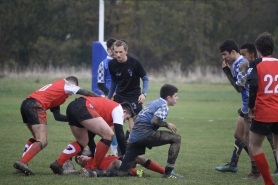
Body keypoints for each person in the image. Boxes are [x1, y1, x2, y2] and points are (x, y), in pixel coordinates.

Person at [84, 84, 182, 179]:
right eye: (175, 96)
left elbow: (139, 119)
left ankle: (96, 174)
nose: (177, 98)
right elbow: (155, 120)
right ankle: (168, 173)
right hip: (145, 134)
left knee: (122, 171)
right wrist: (167, 124)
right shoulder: (164, 105)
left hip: (133, 139)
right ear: (168, 98)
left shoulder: (152, 103)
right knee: (176, 138)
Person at [13, 76, 99, 176]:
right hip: (36, 105)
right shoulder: (67, 85)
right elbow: (87, 92)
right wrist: (101, 99)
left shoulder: (56, 91)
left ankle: (22, 164)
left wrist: (76, 119)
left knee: (35, 137)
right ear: (74, 85)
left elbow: (57, 116)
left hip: (26, 104)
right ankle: (22, 162)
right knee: (42, 140)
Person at [49, 97, 135, 175]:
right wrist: (125, 156)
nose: (125, 121)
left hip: (72, 107)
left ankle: (58, 163)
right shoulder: (118, 109)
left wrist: (94, 156)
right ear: (125, 112)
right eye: (127, 118)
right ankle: (94, 168)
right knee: (109, 135)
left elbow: (90, 138)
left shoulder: (104, 113)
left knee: (83, 142)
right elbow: (120, 134)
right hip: (84, 106)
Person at [216, 42, 261, 179]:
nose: (224, 57)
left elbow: (239, 88)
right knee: (238, 134)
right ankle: (234, 164)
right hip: (246, 104)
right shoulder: (238, 63)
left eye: (225, 54)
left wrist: (226, 71)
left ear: (233, 52)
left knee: (251, 139)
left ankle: (256, 169)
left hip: (250, 106)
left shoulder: (242, 63)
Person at [247, 32, 278, 185]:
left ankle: (269, 182)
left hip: (264, 111)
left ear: (258, 49)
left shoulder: (256, 64)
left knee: (254, 146)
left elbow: (253, 85)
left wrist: (251, 106)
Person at [107, 39, 149, 140]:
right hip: (120, 97)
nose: (118, 55)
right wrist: (108, 98)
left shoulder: (135, 63)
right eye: (116, 52)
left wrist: (143, 94)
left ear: (126, 51)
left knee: (133, 128)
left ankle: (128, 153)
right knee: (111, 128)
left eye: (120, 52)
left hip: (134, 98)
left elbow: (145, 79)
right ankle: (113, 152)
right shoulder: (111, 64)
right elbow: (114, 81)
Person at [76, 149, 183, 178]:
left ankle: (166, 173)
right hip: (112, 165)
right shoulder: (87, 166)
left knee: (138, 157)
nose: (79, 158)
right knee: (117, 163)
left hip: (119, 158)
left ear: (86, 154)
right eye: (78, 160)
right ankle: (139, 173)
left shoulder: (95, 154)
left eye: (80, 156)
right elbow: (85, 172)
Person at [97, 37, 119, 156]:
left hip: (123, 97)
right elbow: (100, 84)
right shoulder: (103, 64)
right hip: (110, 99)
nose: (115, 52)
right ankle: (113, 153)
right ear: (108, 50)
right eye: (112, 50)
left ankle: (119, 152)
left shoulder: (122, 62)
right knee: (113, 126)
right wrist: (110, 94)